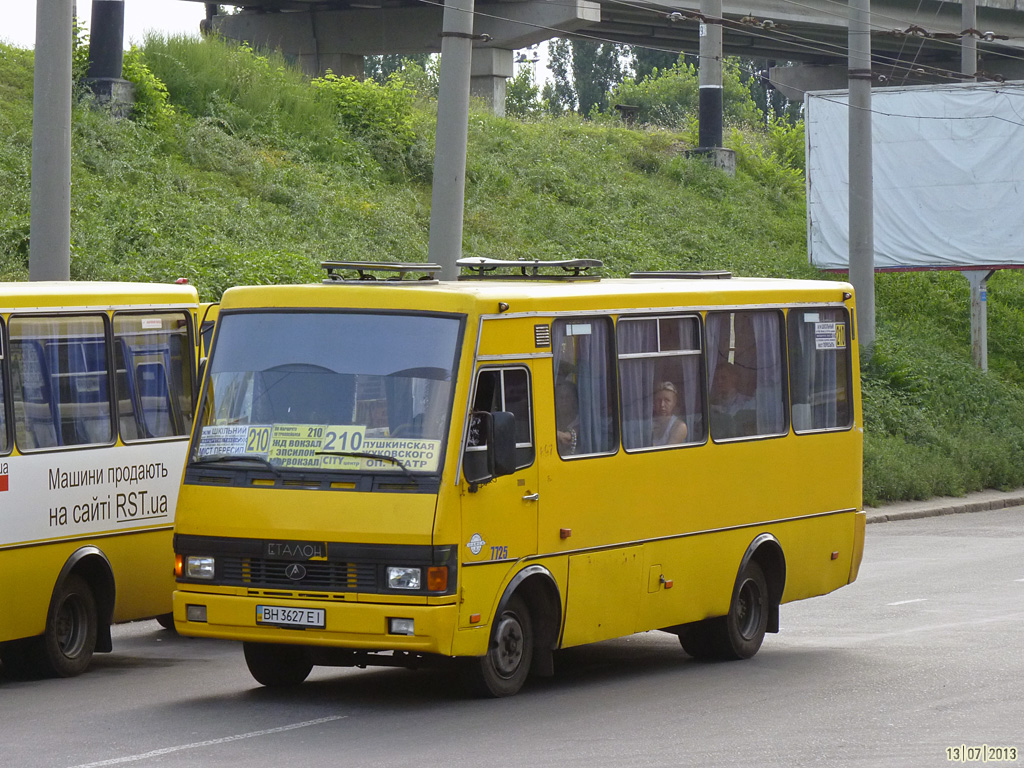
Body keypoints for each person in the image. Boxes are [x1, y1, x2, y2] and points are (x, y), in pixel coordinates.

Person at [651, 381, 688, 446]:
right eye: (658, 400)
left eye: (667, 400)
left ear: (674, 402)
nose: (662, 405)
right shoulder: (649, 423)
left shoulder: (679, 426)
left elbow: (668, 452)